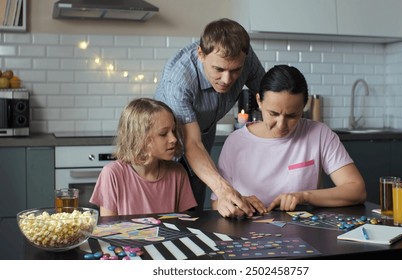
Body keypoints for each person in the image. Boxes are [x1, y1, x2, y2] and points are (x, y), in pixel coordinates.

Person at [211, 65, 366, 212]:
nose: (281, 125)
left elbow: (356, 190)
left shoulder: (319, 134)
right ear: (259, 101)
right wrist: (234, 205)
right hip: (247, 231)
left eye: (292, 116)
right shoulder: (235, 141)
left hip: (304, 231)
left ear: (304, 106)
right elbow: (217, 202)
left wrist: (304, 196)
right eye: (273, 114)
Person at [155, 18, 265, 217]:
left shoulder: (246, 58)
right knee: (167, 219)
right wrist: (224, 190)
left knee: (195, 215)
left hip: (202, 138)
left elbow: (268, 97)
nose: (227, 80)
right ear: (201, 54)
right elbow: (191, 143)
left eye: (235, 71)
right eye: (219, 69)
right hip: (167, 149)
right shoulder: (178, 81)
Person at [90, 98, 197, 216]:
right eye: (163, 133)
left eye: (173, 131)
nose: (174, 139)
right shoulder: (112, 174)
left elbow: (184, 224)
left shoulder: (178, 172)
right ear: (140, 137)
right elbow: (108, 229)